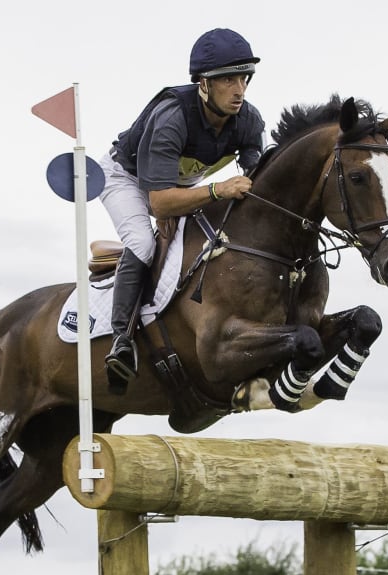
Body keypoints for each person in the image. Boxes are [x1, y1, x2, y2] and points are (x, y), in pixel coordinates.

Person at [98, 27, 266, 388]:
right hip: (123, 177)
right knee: (143, 242)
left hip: (177, 185)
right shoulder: (172, 117)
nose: (239, 90)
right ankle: (121, 341)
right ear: (203, 84)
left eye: (244, 78)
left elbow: (258, 174)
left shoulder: (247, 119)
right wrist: (217, 190)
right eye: (227, 80)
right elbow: (159, 201)